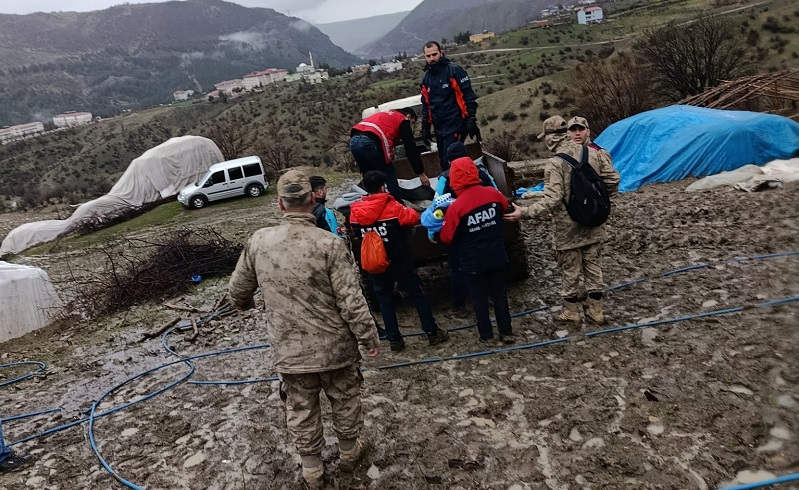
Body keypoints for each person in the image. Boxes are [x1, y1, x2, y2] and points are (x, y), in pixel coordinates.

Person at [228, 169, 380, 489]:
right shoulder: (330, 244)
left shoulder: (259, 242)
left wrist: (248, 306)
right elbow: (351, 301)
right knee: (345, 399)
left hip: (290, 350)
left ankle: (313, 469)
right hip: (336, 347)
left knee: (300, 407)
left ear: (281, 204)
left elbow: (238, 291)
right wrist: (368, 337)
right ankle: (350, 453)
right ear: (313, 200)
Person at [505, 116, 620, 324]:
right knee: (593, 265)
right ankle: (597, 311)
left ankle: (572, 312)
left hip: (568, 228)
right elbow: (613, 179)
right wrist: (600, 201)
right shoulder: (593, 153)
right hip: (594, 221)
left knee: (570, 269)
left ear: (551, 139)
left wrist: (525, 212)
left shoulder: (555, 163)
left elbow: (552, 199)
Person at [349, 170, 450, 352]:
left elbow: (356, 232)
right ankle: (432, 332)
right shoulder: (392, 207)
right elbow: (412, 217)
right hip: (400, 260)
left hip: (376, 264)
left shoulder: (355, 212)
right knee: (417, 294)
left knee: (385, 302)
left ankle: (395, 340)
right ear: (382, 187)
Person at [439, 157, 515, 344]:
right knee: (499, 295)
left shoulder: (456, 207)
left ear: (454, 179)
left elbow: (447, 238)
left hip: (472, 262)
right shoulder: (493, 194)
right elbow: (506, 207)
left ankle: (486, 335)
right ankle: (506, 332)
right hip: (496, 255)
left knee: (478, 299)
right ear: (474, 172)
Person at [431, 142, 497, 312]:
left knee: (455, 266)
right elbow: (495, 192)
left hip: (457, 228)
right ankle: (491, 297)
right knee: (487, 263)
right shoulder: (480, 172)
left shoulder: (445, 178)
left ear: (448, 160)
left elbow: (436, 206)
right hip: (483, 225)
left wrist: (432, 232)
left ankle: (458, 305)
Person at [420, 41, 480, 171]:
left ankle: (465, 186)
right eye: (428, 56)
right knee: (444, 164)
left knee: (452, 162)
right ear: (425, 57)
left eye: (434, 54)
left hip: (456, 124)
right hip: (439, 128)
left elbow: (468, 95)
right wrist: (425, 126)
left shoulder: (454, 71)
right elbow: (426, 104)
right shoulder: (426, 79)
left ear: (441, 53)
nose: (432, 58)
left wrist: (471, 118)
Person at [350, 107, 431, 201]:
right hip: (370, 141)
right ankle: (396, 203)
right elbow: (410, 147)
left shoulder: (386, 115)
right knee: (388, 172)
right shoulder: (403, 119)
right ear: (409, 116)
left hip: (354, 141)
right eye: (412, 123)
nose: (410, 126)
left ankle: (373, 203)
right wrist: (421, 173)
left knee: (369, 176)